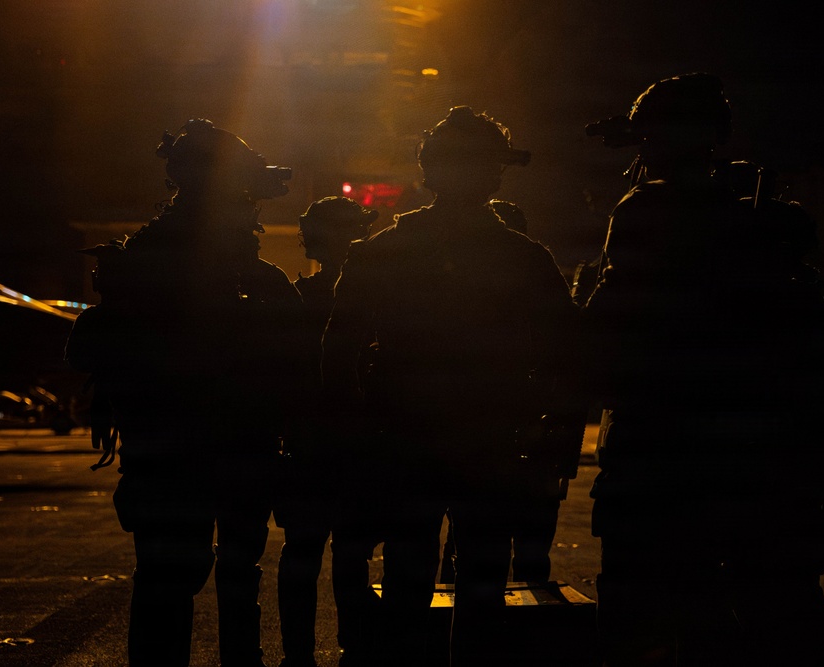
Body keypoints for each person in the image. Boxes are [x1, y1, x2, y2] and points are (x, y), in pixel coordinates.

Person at [583, 73, 824, 667]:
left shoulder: (646, 212)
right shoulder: (770, 229)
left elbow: (608, 330)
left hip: (656, 462)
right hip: (756, 467)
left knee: (645, 625)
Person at [321, 106, 584, 667]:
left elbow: (338, 354)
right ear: (495, 175)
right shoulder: (524, 258)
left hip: (404, 440)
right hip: (487, 443)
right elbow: (566, 356)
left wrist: (358, 431)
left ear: (428, 170)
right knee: (483, 583)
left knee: (407, 578)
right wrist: (550, 437)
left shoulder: (381, 253)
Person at [65, 118, 304, 667]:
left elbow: (87, 351)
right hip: (214, 449)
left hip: (176, 451)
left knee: (172, 580)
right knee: (212, 573)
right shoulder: (233, 273)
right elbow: (298, 364)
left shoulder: (149, 261)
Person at [438, 198, 576, 586]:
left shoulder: (462, 287)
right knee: (525, 551)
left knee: (469, 547)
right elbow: (569, 358)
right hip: (520, 433)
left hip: (504, 434)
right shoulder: (532, 270)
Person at [274, 195, 379, 667]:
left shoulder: (297, 300)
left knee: (303, 553)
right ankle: (354, 648)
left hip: (308, 444)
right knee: (349, 557)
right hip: (354, 446)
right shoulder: (377, 300)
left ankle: (299, 654)